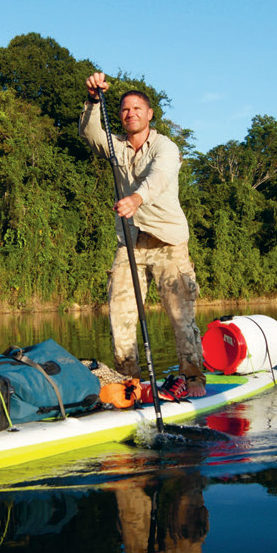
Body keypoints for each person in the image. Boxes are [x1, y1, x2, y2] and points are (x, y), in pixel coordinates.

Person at [81, 71, 206, 396]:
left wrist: (137, 198)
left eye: (137, 108)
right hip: (131, 243)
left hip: (168, 242)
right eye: (124, 109)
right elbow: (90, 130)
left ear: (149, 114)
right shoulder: (115, 146)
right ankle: (129, 383)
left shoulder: (165, 147)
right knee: (120, 316)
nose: (130, 113)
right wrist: (94, 99)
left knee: (181, 316)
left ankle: (193, 378)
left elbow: (159, 177)